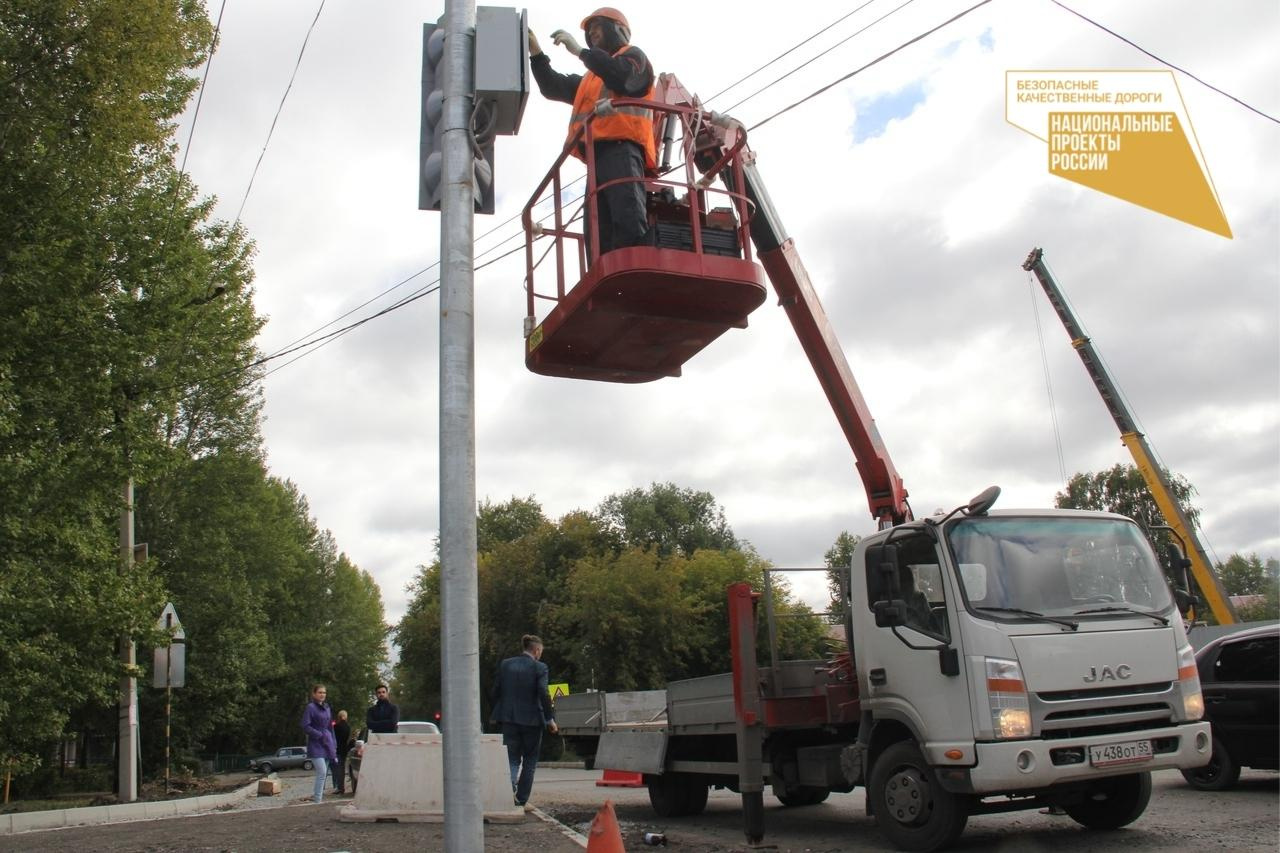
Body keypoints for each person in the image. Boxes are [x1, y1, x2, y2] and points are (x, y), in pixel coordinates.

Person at [528, 7, 655, 256]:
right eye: (589, 31)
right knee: (597, 232)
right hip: (597, 160)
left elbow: (622, 78)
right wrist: (536, 53)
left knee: (626, 214)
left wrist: (580, 52)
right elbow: (553, 86)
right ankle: (604, 274)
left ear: (617, 29)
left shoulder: (634, 57)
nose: (592, 33)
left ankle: (633, 266)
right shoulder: (590, 80)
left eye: (598, 27)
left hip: (623, 150)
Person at [490, 634, 559, 809]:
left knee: (512, 758)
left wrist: (498, 712)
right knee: (530, 760)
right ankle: (520, 799)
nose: (540, 655)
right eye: (541, 652)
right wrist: (550, 719)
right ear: (536, 650)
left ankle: (508, 790)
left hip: (508, 719)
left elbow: (496, 690)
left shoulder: (506, 665)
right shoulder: (540, 667)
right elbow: (543, 693)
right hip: (532, 721)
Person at [300, 684, 337, 804]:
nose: (322, 695)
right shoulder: (310, 707)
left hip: (327, 743)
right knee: (321, 772)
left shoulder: (327, 707)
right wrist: (318, 735)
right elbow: (305, 725)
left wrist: (333, 742)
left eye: (324, 693)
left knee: (324, 773)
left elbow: (330, 726)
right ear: (314, 694)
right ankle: (317, 800)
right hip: (316, 743)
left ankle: (318, 799)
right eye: (320, 692)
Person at [332, 709, 352, 795]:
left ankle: (340, 788)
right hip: (344, 749)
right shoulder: (348, 727)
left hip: (337, 749)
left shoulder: (336, 727)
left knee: (338, 769)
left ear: (339, 716)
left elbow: (333, 738)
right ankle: (340, 787)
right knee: (342, 768)